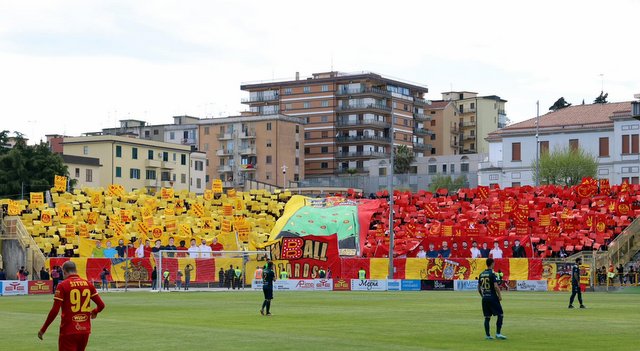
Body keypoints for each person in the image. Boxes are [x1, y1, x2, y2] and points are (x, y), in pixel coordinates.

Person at [38, 261, 106, 350]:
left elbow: (55, 310)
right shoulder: (88, 284)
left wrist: (43, 329)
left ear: (64, 272)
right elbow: (101, 305)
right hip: (84, 330)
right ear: (76, 270)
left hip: (68, 330)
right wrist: (94, 311)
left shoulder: (62, 285)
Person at [478, 258, 507, 340]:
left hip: (485, 298)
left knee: (487, 317)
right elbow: (495, 286)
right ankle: (498, 334)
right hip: (492, 297)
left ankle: (487, 335)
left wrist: (483, 296)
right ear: (492, 264)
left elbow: (479, 288)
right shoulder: (492, 274)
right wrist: (500, 296)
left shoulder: (481, 274)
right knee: (500, 314)